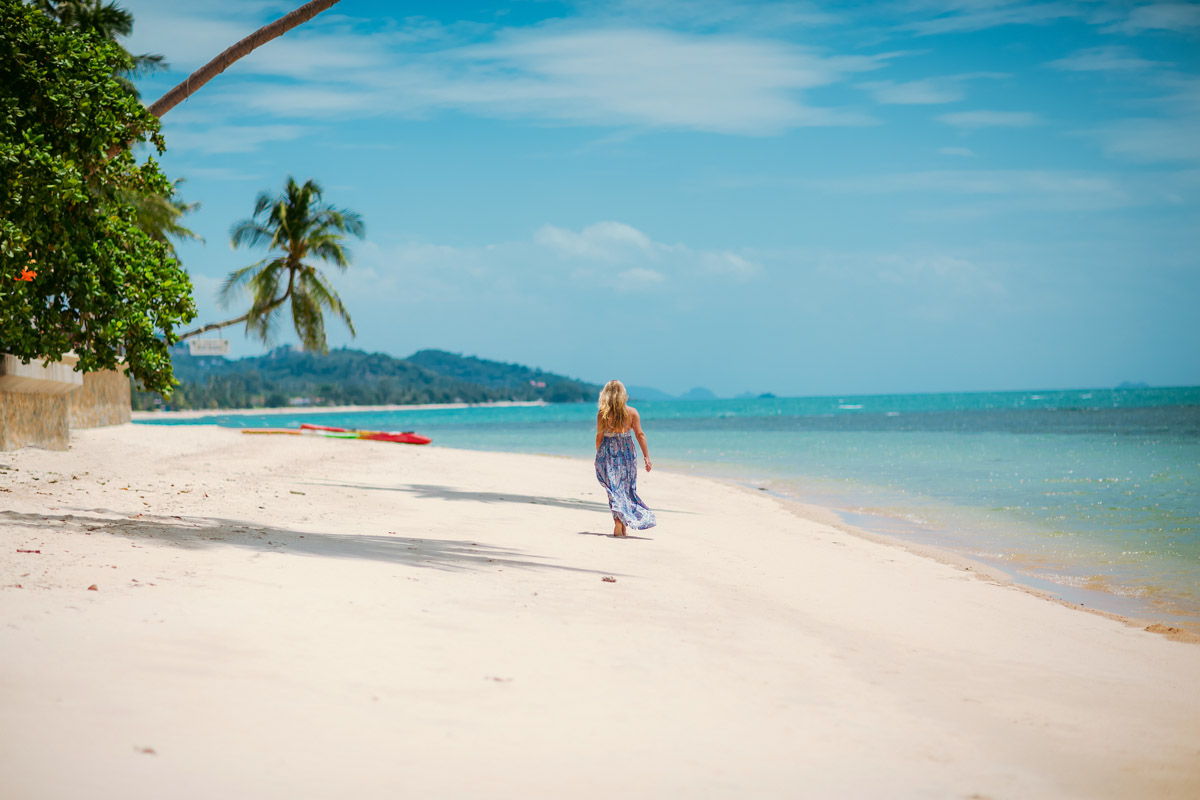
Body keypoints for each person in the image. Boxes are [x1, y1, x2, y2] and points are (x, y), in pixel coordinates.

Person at [594, 380, 656, 537]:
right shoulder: (633, 412)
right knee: (626, 489)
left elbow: (599, 438)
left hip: (608, 453)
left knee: (614, 490)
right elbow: (640, 434)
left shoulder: (603, 414)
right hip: (627, 454)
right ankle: (622, 522)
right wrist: (647, 457)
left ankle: (618, 522)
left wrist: (599, 456)